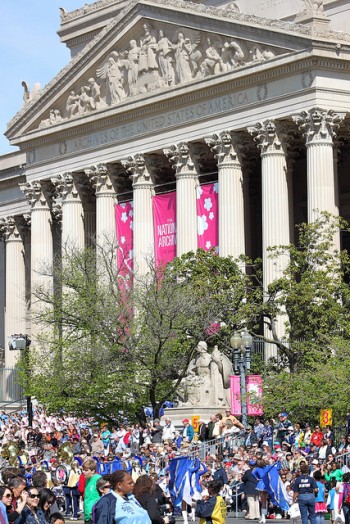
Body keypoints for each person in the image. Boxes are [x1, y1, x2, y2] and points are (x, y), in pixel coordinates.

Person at [82, 458, 101, 524]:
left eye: (86, 470)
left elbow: (104, 495)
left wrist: (97, 509)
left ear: (93, 471)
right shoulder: (87, 479)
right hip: (87, 515)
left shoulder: (98, 479)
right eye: (83, 470)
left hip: (95, 515)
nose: (83, 472)